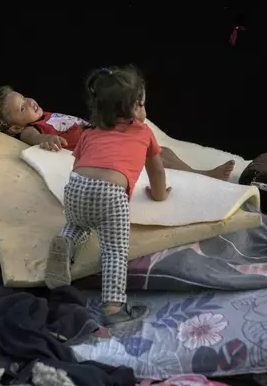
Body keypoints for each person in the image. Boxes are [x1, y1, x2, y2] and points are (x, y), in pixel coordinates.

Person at [44, 65, 171, 327]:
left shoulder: (89, 132)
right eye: (144, 104)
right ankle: (114, 308)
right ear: (135, 107)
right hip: (110, 194)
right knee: (114, 251)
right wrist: (159, 196)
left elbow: (78, 164)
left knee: (80, 222)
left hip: (76, 187)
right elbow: (157, 172)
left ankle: (65, 243)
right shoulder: (145, 133)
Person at [0, 87, 235, 181]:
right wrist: (47, 140)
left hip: (102, 134)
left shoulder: (44, 115)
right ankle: (205, 176)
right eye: (22, 107)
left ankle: (200, 173)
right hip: (99, 149)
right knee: (153, 157)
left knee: (162, 150)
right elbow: (34, 139)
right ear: (14, 127)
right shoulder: (31, 129)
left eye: (24, 97)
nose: (30, 102)